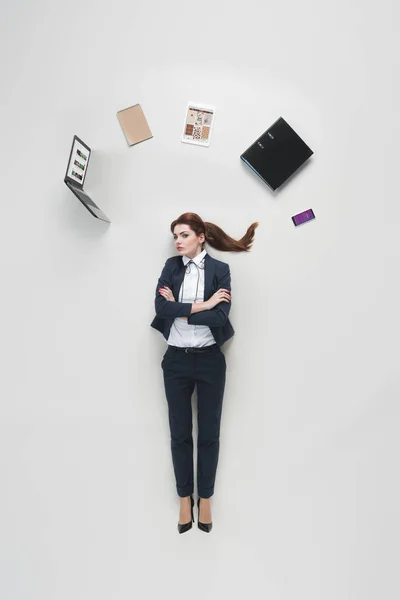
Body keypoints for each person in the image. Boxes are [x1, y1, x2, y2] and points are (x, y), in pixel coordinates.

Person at [151, 212, 258, 533]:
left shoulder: (220, 269)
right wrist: (203, 304)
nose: (178, 241)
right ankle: (185, 498)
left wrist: (184, 309)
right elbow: (161, 309)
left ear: (201, 237)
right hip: (176, 361)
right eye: (175, 236)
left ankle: (205, 499)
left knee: (209, 434)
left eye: (183, 235)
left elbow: (221, 317)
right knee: (180, 433)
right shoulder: (171, 267)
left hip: (211, 360)